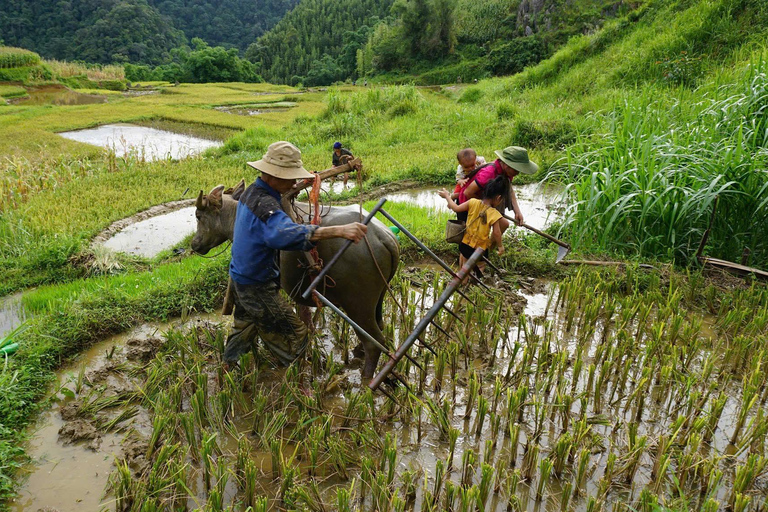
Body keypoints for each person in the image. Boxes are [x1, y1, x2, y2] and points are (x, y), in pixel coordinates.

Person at [224, 141, 368, 371]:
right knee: (296, 334)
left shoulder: (251, 192)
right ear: (274, 175)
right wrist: (339, 230)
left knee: (244, 325)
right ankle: (296, 381)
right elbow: (283, 233)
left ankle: (228, 367)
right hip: (257, 285)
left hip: (242, 276)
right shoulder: (265, 205)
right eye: (290, 177)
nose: (294, 182)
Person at [439, 176, 508, 279]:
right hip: (479, 249)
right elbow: (497, 233)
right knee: (481, 264)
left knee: (464, 265)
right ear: (498, 198)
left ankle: (462, 279)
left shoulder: (473, 202)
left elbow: (456, 208)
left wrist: (447, 197)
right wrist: (500, 246)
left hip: (465, 244)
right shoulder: (494, 214)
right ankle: (471, 281)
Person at [457, 145, 538, 231]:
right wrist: (487, 206)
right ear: (507, 165)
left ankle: (491, 244)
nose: (517, 173)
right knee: (467, 238)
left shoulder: (507, 172)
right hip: (466, 205)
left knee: (484, 234)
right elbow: (468, 193)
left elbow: (509, 189)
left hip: (482, 204)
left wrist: (517, 211)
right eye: (516, 170)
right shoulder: (489, 173)